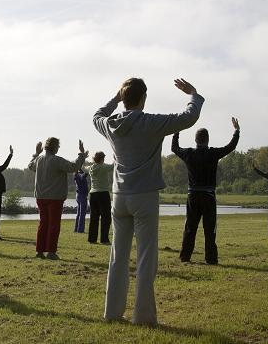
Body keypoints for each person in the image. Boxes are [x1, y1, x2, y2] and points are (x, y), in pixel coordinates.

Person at [93, 78, 203, 326]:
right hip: (145, 196)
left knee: (117, 256)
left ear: (124, 97)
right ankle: (143, 317)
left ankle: (112, 312)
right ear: (144, 97)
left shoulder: (111, 124)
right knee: (145, 257)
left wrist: (116, 97)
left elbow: (97, 115)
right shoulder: (151, 122)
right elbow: (188, 117)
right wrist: (193, 94)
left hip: (119, 197)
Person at [173, 117, 240, 265]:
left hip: (193, 195)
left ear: (195, 140)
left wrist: (176, 132)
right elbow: (230, 147)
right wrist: (236, 131)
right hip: (208, 196)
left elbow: (174, 148)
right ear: (207, 140)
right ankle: (211, 258)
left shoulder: (189, 153)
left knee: (190, 227)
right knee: (210, 229)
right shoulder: (213, 153)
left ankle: (185, 256)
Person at [28, 138, 87, 260]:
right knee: (54, 225)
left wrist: (36, 153)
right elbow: (74, 166)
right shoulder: (57, 160)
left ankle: (39, 251)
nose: (59, 148)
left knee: (43, 224)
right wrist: (81, 154)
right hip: (55, 198)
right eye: (58, 146)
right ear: (55, 147)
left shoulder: (39, 159)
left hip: (41, 197)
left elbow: (30, 166)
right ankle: (51, 252)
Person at [86, 152, 113, 244]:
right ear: (102, 158)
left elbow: (83, 168)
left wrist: (83, 156)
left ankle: (92, 239)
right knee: (106, 217)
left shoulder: (91, 168)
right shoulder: (104, 167)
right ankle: (104, 239)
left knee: (94, 217)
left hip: (93, 194)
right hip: (103, 193)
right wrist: (116, 156)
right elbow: (114, 165)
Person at [73, 169, 90, 233]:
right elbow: (85, 174)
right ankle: (80, 230)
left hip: (78, 195)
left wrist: (79, 169)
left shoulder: (76, 176)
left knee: (78, 214)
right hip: (82, 196)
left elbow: (83, 174)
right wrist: (85, 170)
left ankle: (76, 229)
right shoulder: (80, 176)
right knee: (82, 214)